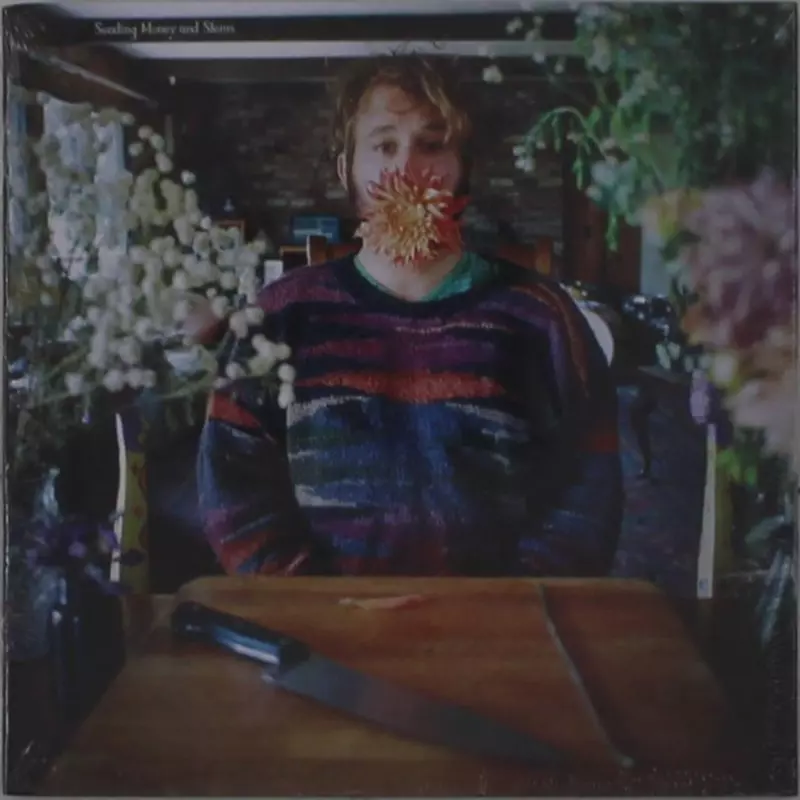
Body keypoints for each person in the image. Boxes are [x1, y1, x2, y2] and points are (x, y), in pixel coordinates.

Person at [196, 55, 623, 577]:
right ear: (346, 170)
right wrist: (312, 600)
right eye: (384, 146)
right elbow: (234, 494)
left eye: (433, 144)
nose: (407, 169)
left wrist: (512, 601)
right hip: (319, 613)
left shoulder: (543, 316)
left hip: (501, 616)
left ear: (464, 168)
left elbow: (589, 486)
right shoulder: (276, 317)